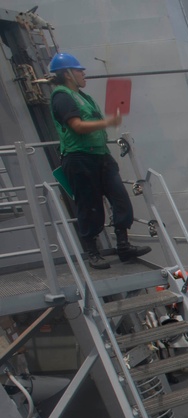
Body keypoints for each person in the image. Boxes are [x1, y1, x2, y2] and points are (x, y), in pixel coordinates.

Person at [49, 53, 151, 270]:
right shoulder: (62, 97)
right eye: (79, 70)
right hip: (79, 158)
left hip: (100, 155)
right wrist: (107, 122)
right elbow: (76, 126)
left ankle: (123, 245)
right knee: (89, 206)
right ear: (67, 74)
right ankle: (92, 252)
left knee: (120, 197)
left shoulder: (82, 97)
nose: (83, 73)